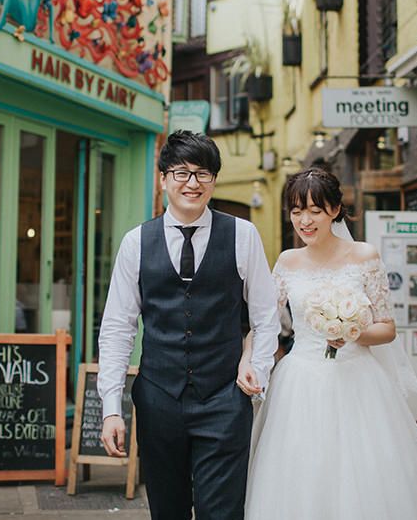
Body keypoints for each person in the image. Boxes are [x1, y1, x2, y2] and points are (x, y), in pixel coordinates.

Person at [98, 130, 280, 520]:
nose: (192, 183)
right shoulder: (135, 242)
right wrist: (112, 407)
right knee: (168, 510)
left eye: (203, 174)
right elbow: (117, 327)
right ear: (163, 179)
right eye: (181, 173)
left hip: (224, 399)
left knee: (223, 512)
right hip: (158, 399)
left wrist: (257, 367)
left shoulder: (242, 235)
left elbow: (266, 318)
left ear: (214, 180)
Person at [243, 167, 417, 519]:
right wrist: (248, 357)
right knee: (300, 472)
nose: (304, 220)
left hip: (359, 381)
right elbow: (264, 324)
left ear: (335, 210)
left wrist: (353, 333)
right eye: (296, 211)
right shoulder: (287, 262)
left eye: (315, 210)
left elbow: (386, 327)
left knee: (361, 475)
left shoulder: (365, 257)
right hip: (300, 381)